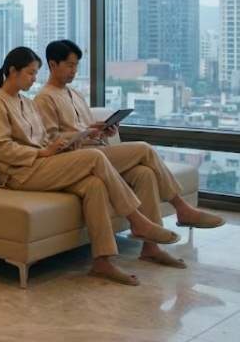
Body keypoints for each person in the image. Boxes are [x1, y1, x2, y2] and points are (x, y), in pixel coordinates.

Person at [0, 46, 182, 286]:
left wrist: (64, 143)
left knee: (93, 185)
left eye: (36, 73)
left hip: (43, 163)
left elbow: (44, 138)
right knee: (96, 158)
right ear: (12, 71)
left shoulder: (26, 102)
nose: (34, 79)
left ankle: (102, 261)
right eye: (30, 73)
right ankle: (137, 220)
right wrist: (44, 152)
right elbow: (1, 148)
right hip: (19, 173)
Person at [34, 39, 224, 268]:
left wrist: (102, 130)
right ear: (53, 65)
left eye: (76, 66)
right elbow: (53, 141)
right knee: (144, 148)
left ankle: (151, 248)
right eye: (69, 66)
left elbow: (85, 129)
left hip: (99, 151)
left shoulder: (74, 94)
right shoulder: (44, 98)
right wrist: (84, 135)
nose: (74, 71)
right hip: (80, 160)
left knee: (144, 173)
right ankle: (182, 208)